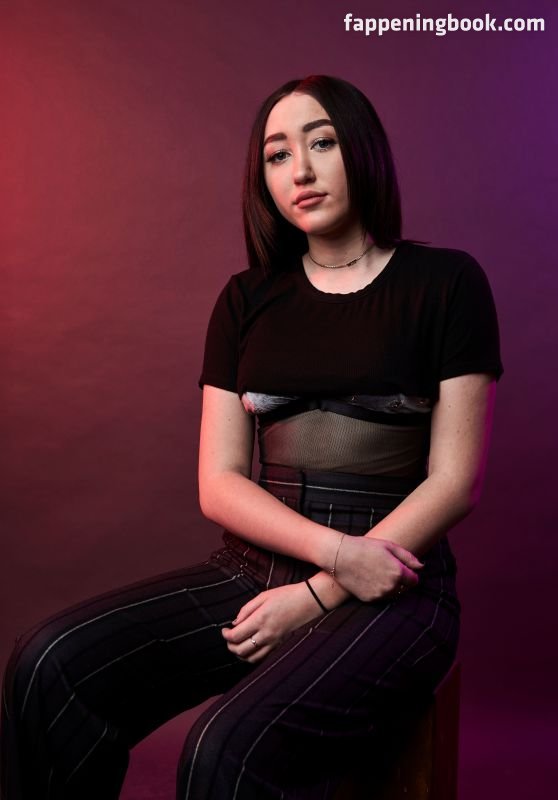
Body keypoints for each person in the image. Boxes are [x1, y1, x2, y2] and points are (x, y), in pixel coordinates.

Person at [0, 74, 503, 800]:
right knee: (48, 666)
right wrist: (331, 557)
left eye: (321, 143)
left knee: (223, 749)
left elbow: (456, 482)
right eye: (277, 155)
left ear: (362, 150)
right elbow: (220, 482)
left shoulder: (448, 283)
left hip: (395, 580)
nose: (300, 171)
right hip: (256, 565)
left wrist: (322, 592)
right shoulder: (245, 298)